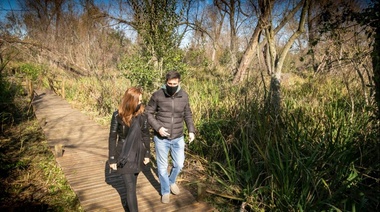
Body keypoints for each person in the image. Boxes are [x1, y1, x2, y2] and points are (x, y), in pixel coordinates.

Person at [145, 70, 195, 204]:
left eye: (174, 83)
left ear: (179, 83)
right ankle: (165, 191)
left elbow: (188, 114)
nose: (172, 86)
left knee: (179, 164)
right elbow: (148, 113)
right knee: (162, 167)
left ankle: (171, 181)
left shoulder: (184, 96)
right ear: (165, 82)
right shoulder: (157, 95)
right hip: (161, 138)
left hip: (178, 137)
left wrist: (191, 130)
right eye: (169, 83)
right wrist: (158, 128)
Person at [108, 87, 150, 212]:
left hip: (138, 153)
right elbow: (112, 137)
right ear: (130, 101)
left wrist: (147, 153)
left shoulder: (142, 115)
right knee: (130, 187)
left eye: (141, 101)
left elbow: (146, 135)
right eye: (138, 101)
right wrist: (112, 159)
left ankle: (128, 202)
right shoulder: (117, 115)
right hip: (123, 154)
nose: (141, 103)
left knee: (132, 184)